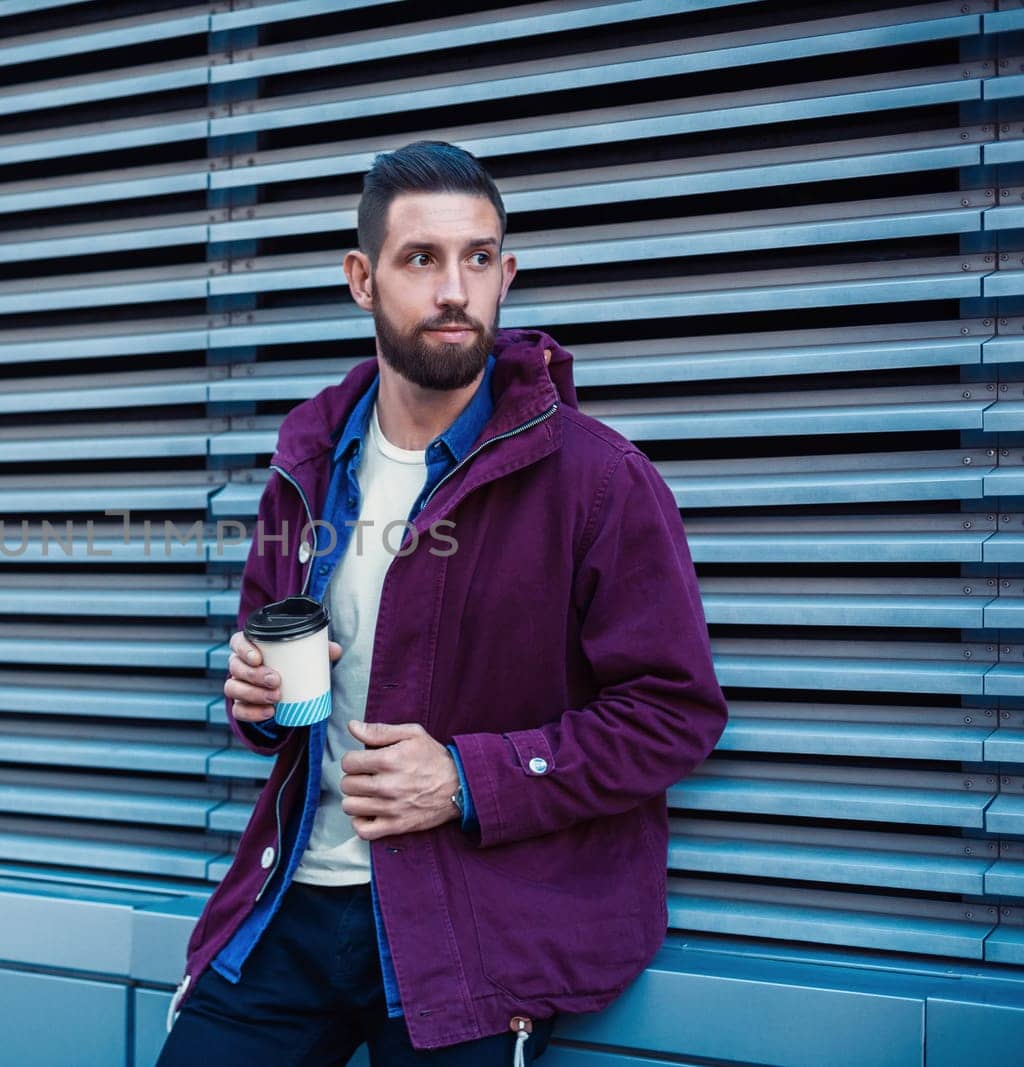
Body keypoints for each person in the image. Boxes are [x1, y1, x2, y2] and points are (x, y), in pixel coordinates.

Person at [156, 140, 728, 1066]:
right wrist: (255, 699)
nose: (455, 289)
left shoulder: (599, 481)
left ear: (507, 273)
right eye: (421, 258)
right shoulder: (306, 465)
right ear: (361, 279)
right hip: (290, 901)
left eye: (478, 258)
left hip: (464, 927)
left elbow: (675, 713)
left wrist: (465, 778)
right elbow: (272, 681)